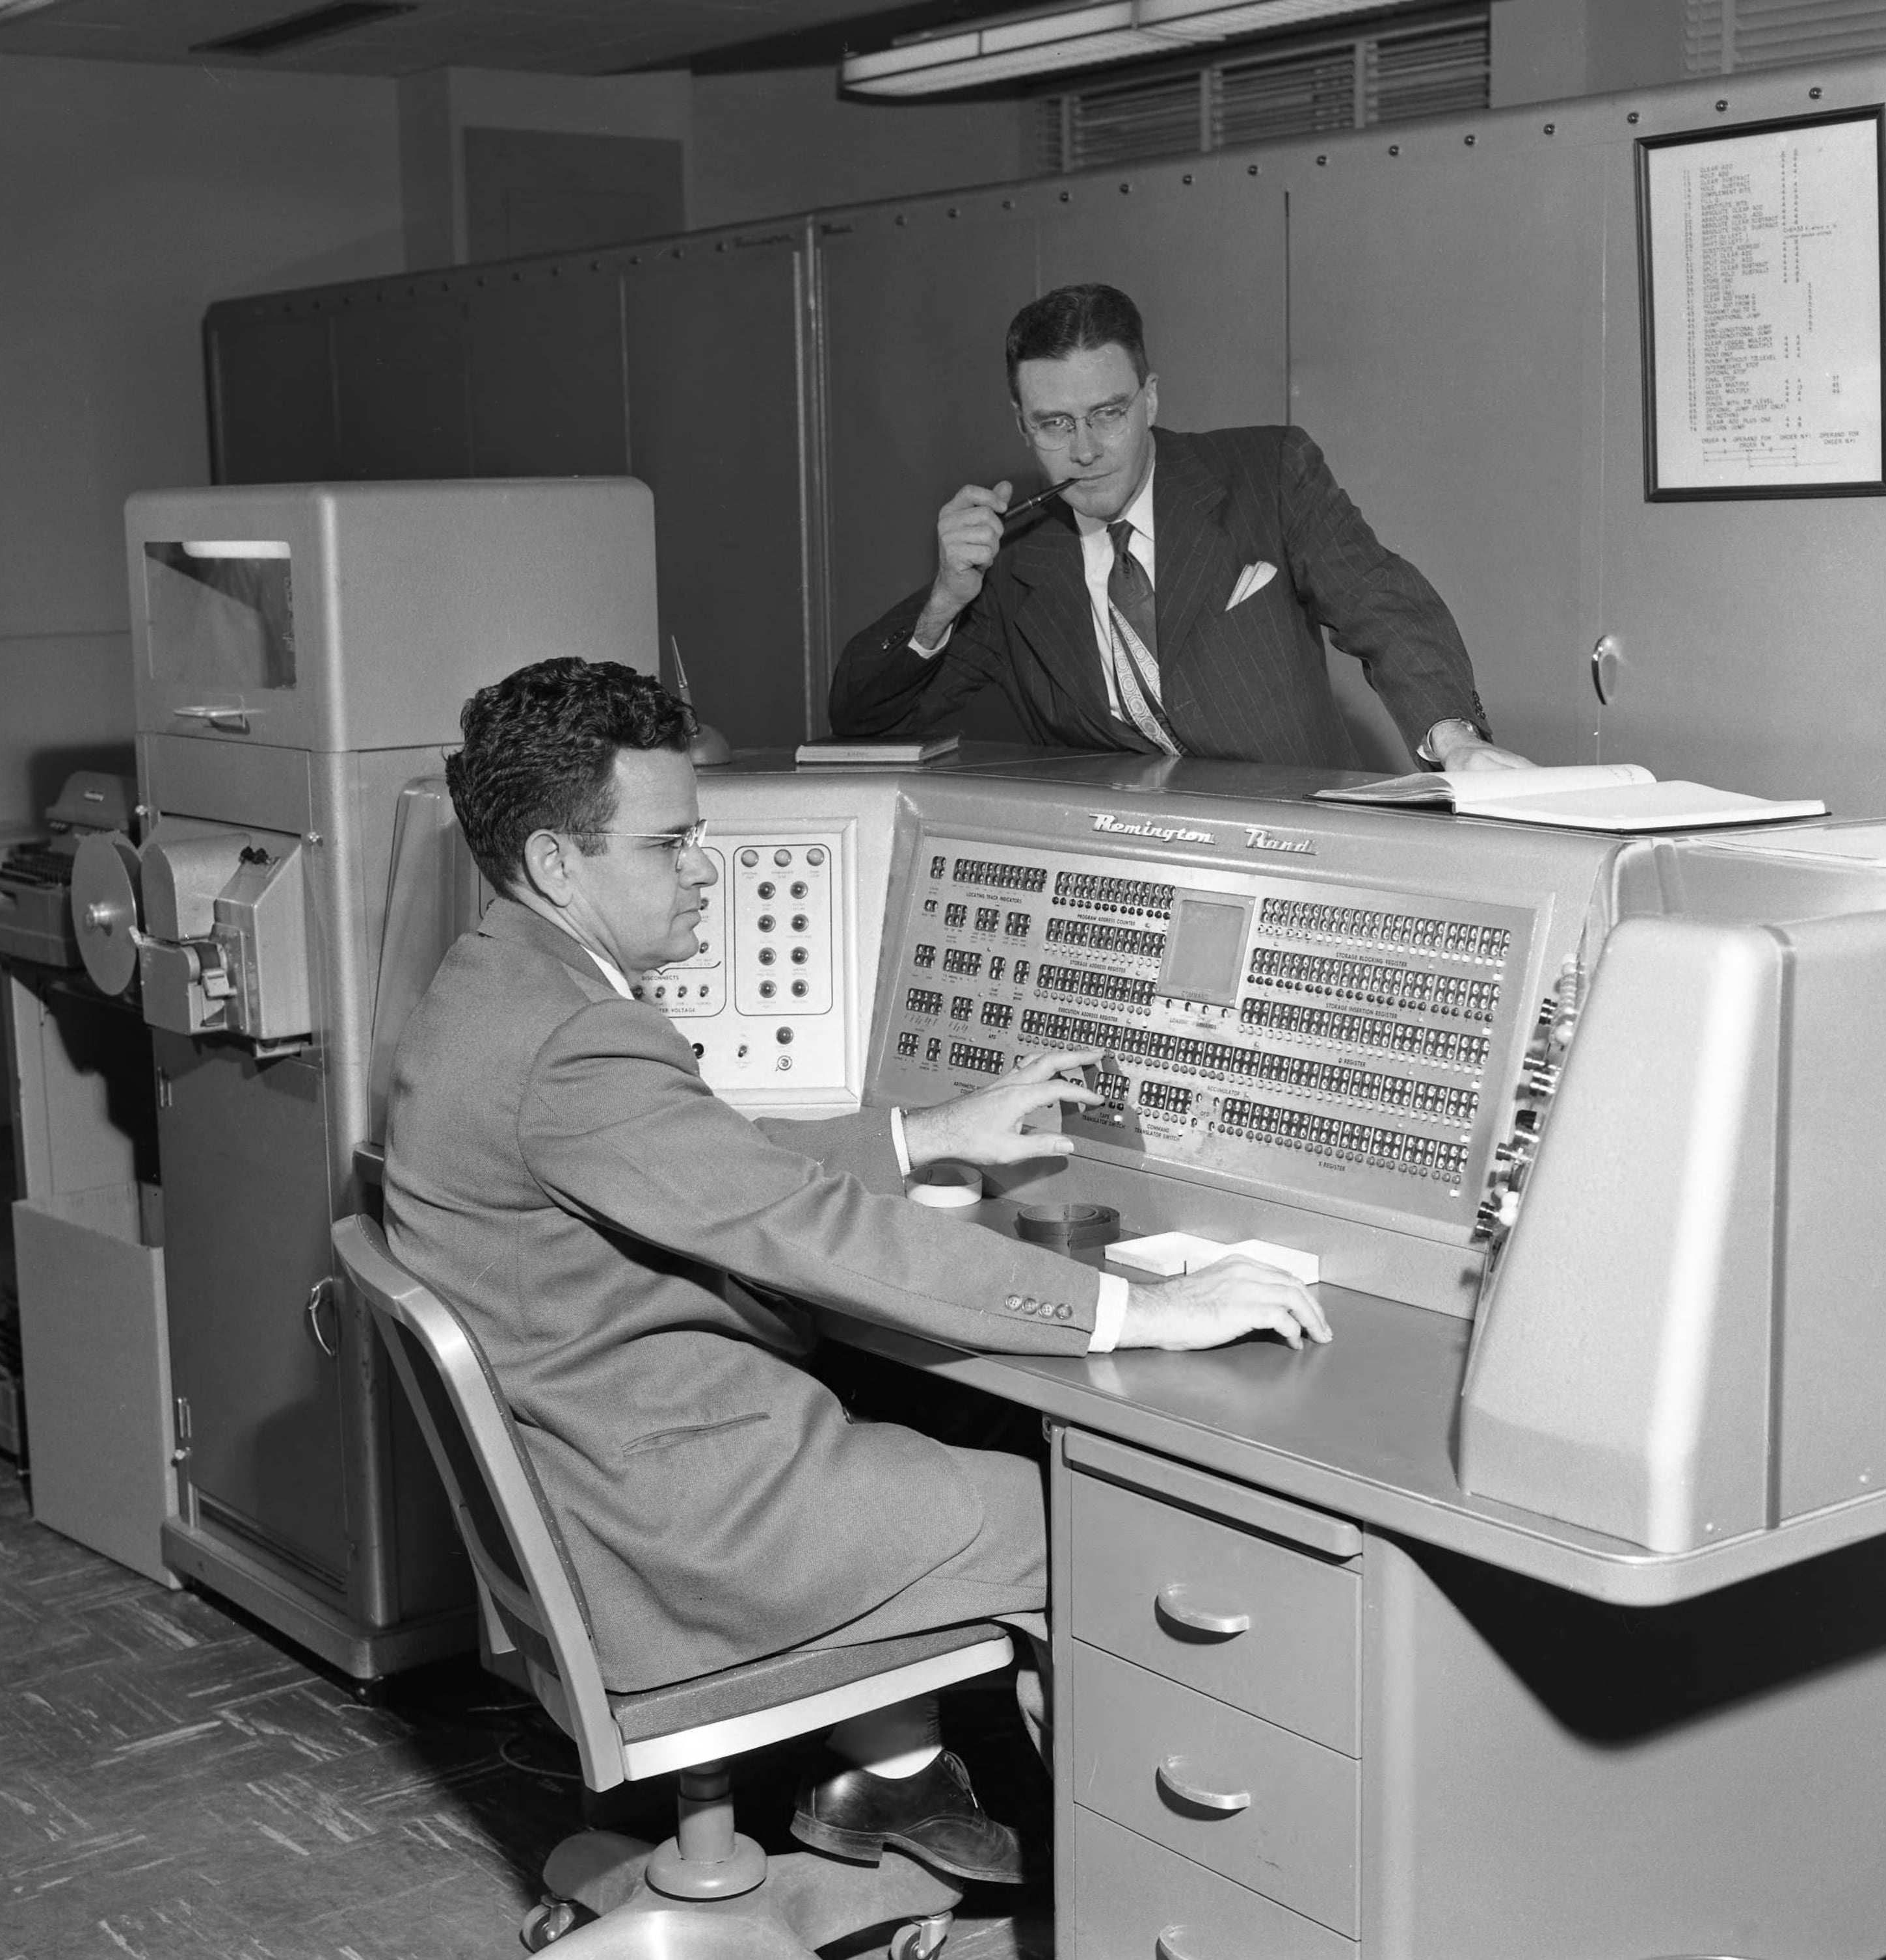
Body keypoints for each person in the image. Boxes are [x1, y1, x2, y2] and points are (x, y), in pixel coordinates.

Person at [382, 656, 1331, 1885]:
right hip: (680, 1533)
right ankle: (1159, 1899)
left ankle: (883, 1779)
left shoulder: (496, 985)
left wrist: (921, 1134)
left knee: (929, 1406)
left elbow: (698, 1161)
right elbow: (809, 1230)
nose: (704, 868)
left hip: (592, 1480)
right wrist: (1141, 1305)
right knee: (1093, 1528)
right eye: (670, 843)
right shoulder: (579, 1039)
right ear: (560, 860)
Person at [830, 282, 1532, 773]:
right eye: (1054, 424)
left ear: (1151, 397)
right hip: (1123, 891)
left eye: (1108, 414)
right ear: (1021, 423)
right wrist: (946, 599)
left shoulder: (1266, 472)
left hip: (1295, 856)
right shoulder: (1012, 565)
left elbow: (1386, 606)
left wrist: (1455, 739)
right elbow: (866, 722)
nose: (1083, 450)